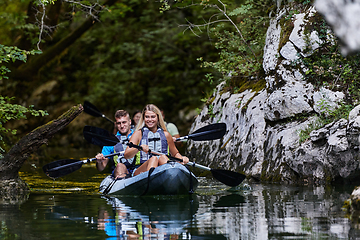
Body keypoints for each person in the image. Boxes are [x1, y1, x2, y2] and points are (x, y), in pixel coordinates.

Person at [124, 104, 189, 176]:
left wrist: (182, 159)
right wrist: (138, 148)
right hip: (140, 170)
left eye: (153, 117)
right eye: (147, 117)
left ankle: (167, 178)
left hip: (161, 168)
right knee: (153, 159)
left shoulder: (166, 135)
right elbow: (127, 155)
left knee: (163, 157)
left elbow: (175, 153)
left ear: (158, 118)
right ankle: (151, 180)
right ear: (143, 118)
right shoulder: (138, 134)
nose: (150, 120)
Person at [96, 110, 134, 179]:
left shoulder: (139, 135)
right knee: (120, 166)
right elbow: (101, 168)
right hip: (121, 171)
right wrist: (99, 161)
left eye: (124, 122)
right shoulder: (110, 141)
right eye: (119, 123)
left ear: (130, 122)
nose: (122, 126)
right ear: (116, 124)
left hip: (138, 171)